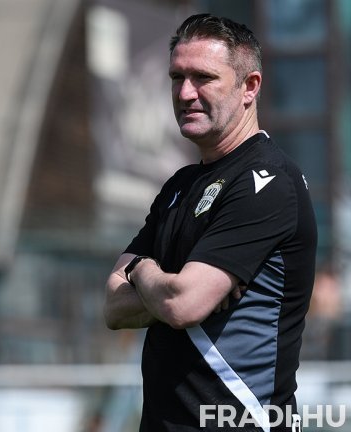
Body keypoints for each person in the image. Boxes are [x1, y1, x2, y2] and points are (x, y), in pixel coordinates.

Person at [104, 14, 317, 432]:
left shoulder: (267, 182)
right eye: (176, 77)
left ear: (249, 87)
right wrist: (168, 285)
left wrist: (142, 270)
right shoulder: (179, 185)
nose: (185, 93)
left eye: (203, 77)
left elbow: (183, 305)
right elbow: (113, 307)